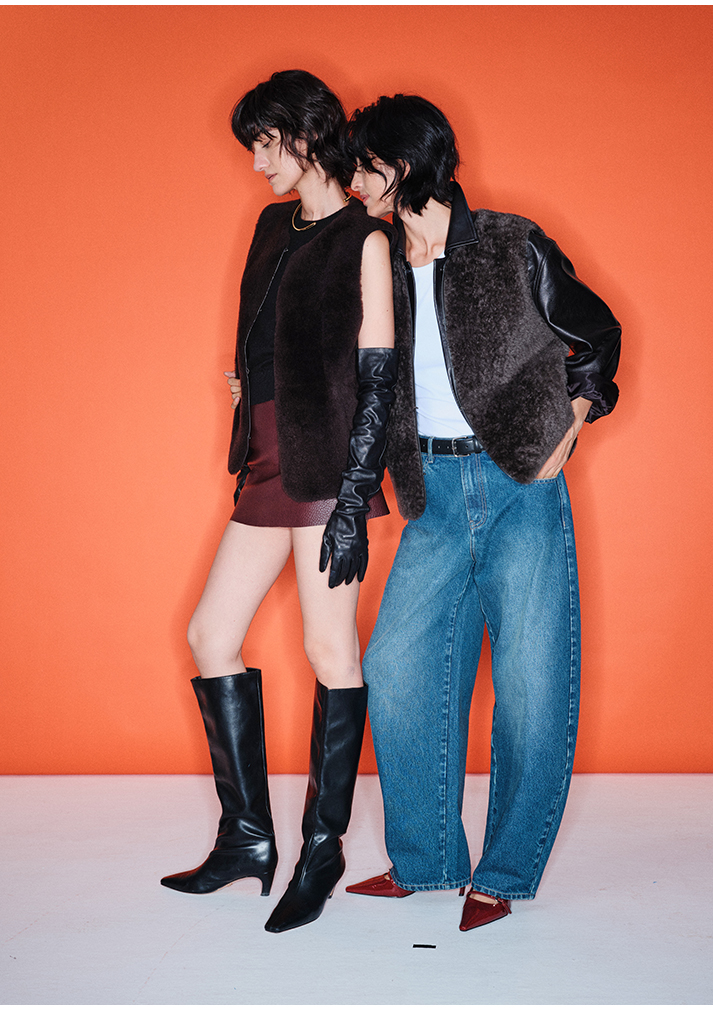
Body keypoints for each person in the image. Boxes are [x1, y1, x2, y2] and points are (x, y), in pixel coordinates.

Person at [344, 94, 621, 931]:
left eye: (365, 167)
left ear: (404, 165)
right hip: (430, 491)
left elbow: (597, 334)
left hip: (517, 487)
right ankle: (426, 859)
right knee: (396, 664)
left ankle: (505, 873)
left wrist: (569, 429)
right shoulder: (379, 262)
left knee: (532, 685)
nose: (354, 182)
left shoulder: (510, 242)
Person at [160, 70, 397, 934]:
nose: (257, 163)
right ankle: (247, 839)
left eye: (265, 144)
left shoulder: (364, 240)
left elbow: (377, 382)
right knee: (210, 635)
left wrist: (355, 500)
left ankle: (321, 851)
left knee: (329, 648)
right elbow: (268, 339)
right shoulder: (271, 226)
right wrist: (248, 387)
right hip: (266, 460)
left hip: (328, 470)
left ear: (305, 135)